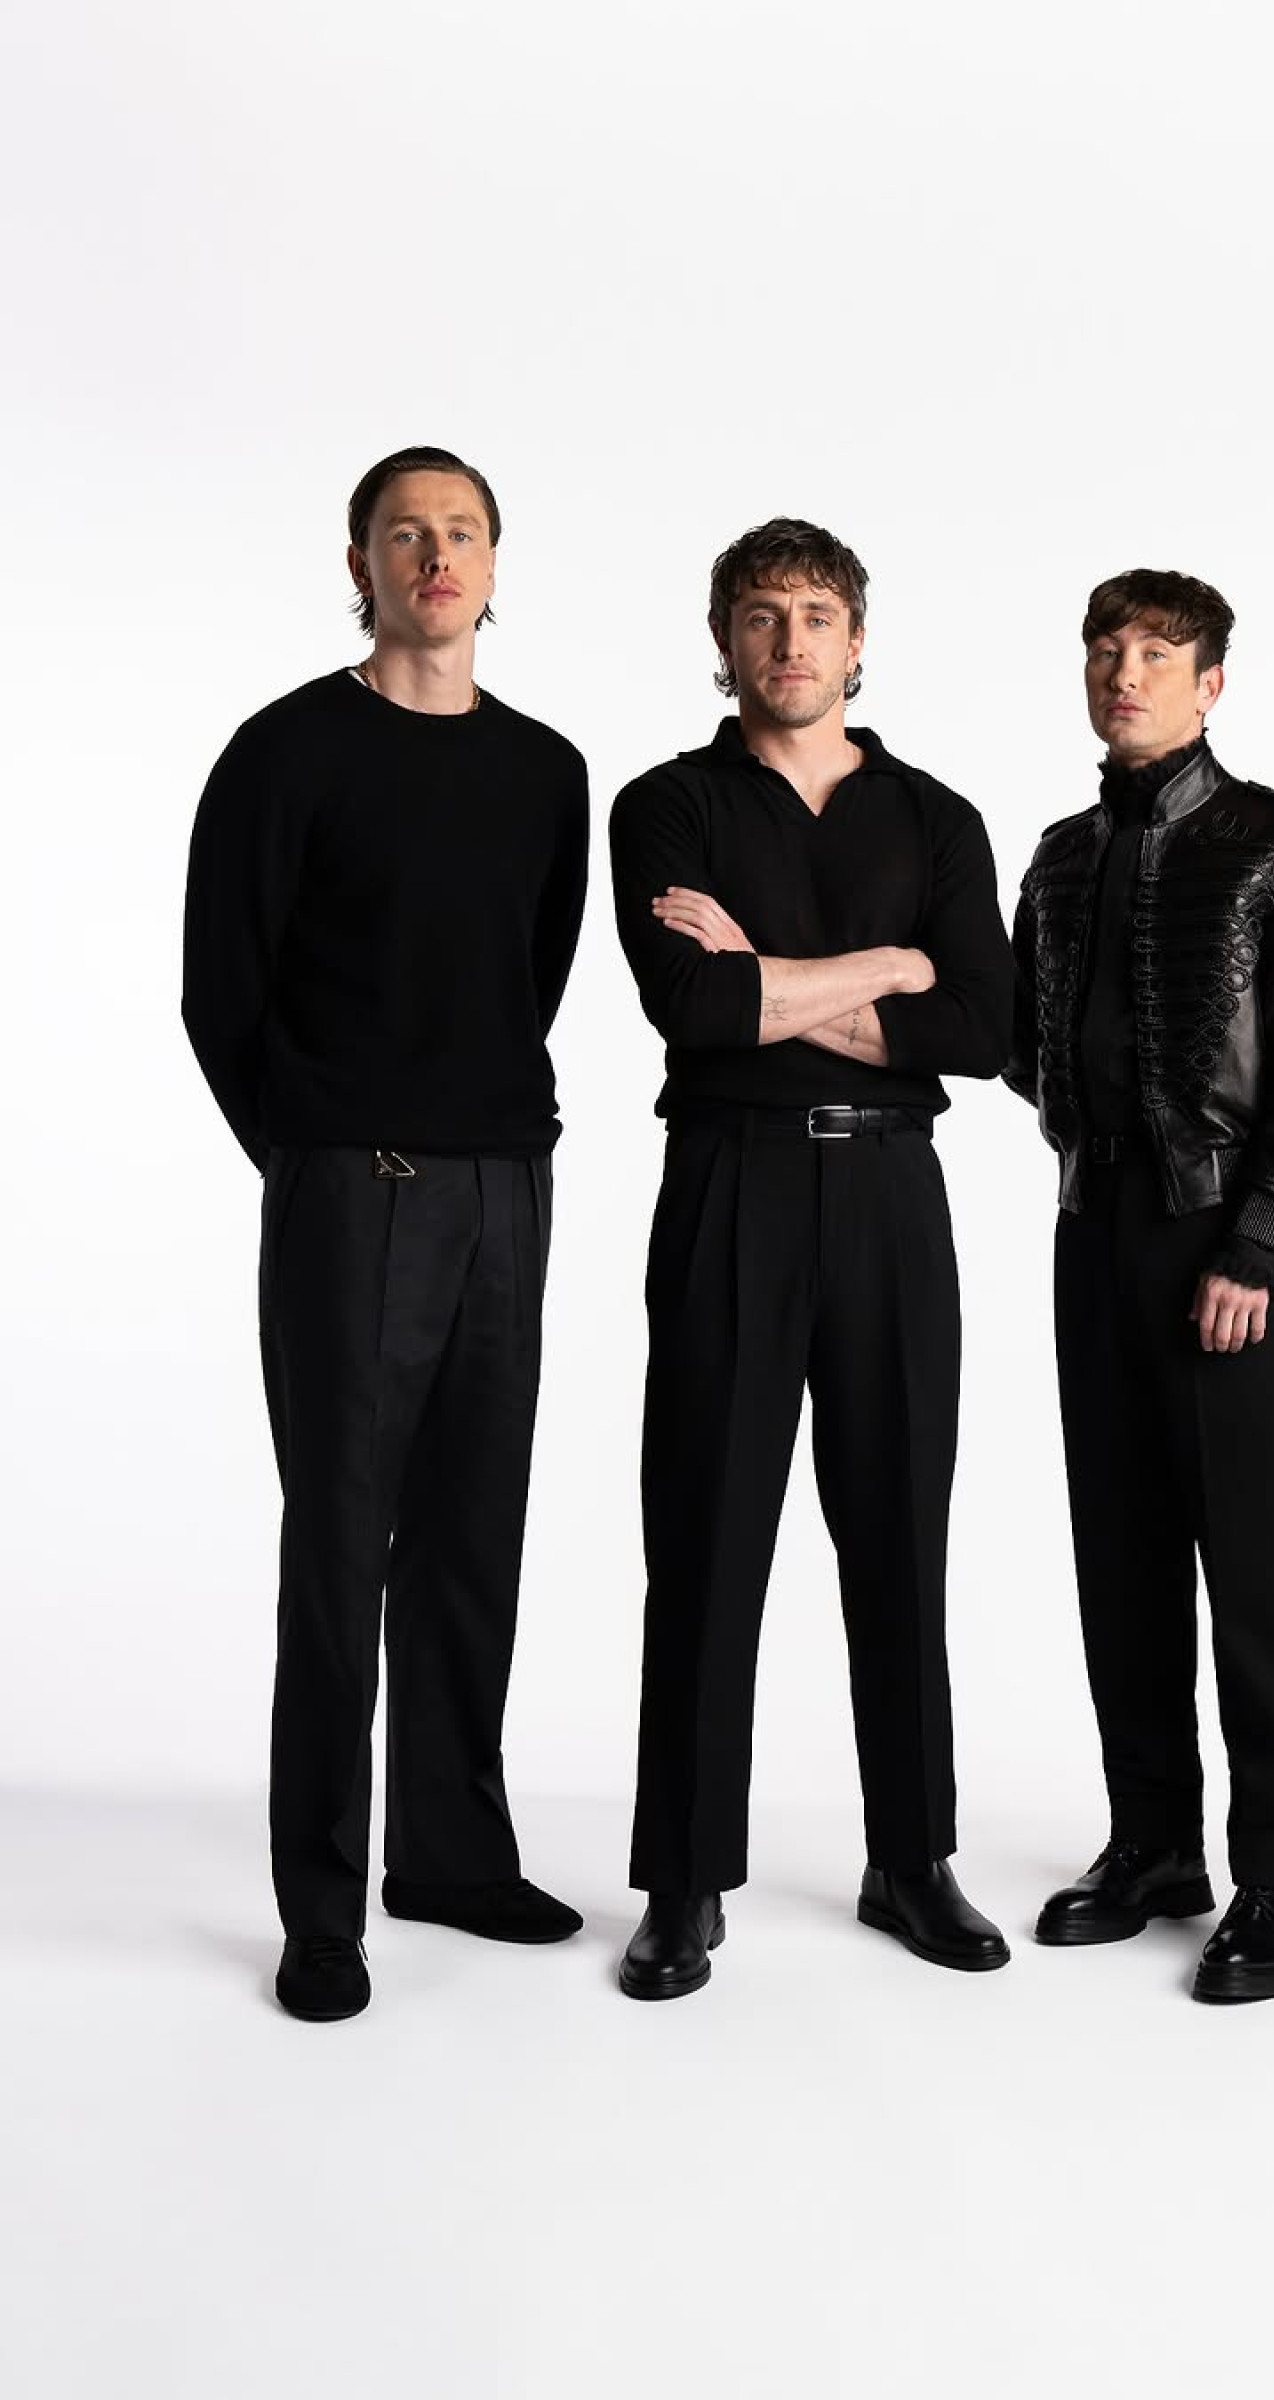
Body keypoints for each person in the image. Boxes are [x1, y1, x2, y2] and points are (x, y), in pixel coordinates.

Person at [182, 445, 590, 2023]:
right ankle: (322, 1908)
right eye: (405, 532)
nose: (436, 554)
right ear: (358, 563)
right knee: (342, 1547)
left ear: (495, 563)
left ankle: (452, 1856)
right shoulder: (286, 751)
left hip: (506, 1188)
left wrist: (471, 1145)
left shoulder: (546, 771)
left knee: (476, 1530)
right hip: (354, 1188)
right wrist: (319, 1156)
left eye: (462, 530)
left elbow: (531, 972)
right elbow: (223, 992)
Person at [608, 517, 1014, 2000]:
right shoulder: (667, 806)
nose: (791, 642)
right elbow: (696, 1011)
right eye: (763, 616)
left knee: (901, 1528)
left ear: (858, 641)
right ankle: (683, 1880)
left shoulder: (937, 818)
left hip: (893, 1192)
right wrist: (893, 968)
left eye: (818, 615)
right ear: (724, 643)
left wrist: (777, 976)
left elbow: (984, 1028)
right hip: (733, 1181)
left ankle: (911, 1859)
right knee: (707, 1528)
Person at [1008, 568, 1274, 2005]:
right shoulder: (1057, 857)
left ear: (1210, 684)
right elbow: (1029, 1046)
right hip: (1092, 1233)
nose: (1126, 672)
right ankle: (1155, 1845)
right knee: (1121, 1553)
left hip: (1225, 1244)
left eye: (1158, 653)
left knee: (1252, 1565)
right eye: (1107, 649)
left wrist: (1258, 1236)